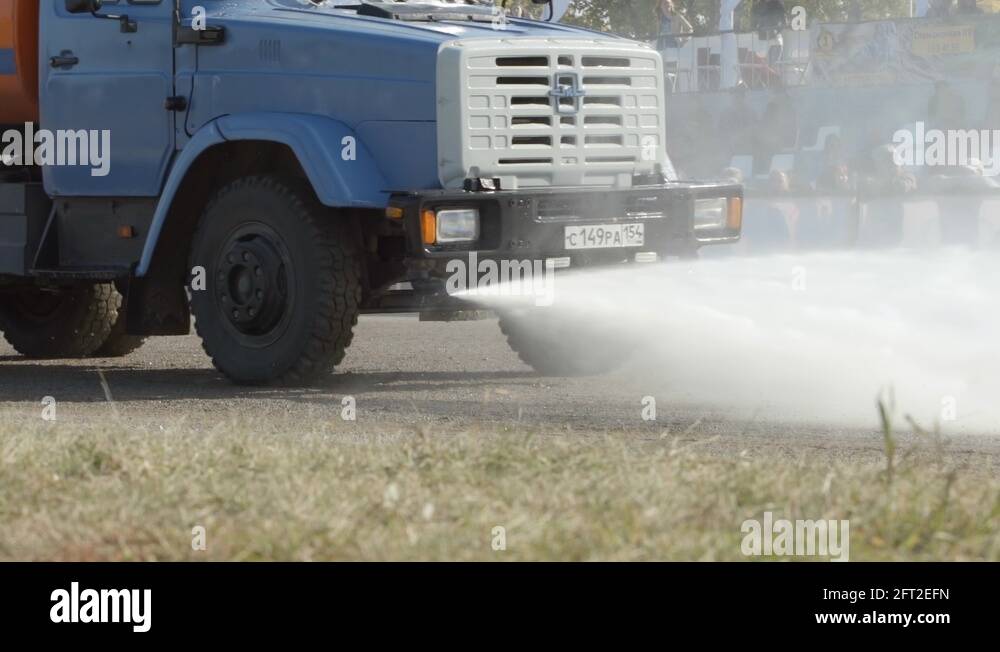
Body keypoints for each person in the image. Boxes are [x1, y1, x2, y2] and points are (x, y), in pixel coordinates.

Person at [752, 0, 787, 65]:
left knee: (772, 65)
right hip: (762, 41)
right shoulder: (757, 5)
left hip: (774, 40)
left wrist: (776, 32)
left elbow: (784, 22)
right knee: (763, 68)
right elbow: (753, 24)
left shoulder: (778, 3)